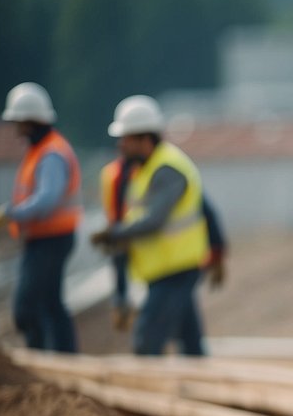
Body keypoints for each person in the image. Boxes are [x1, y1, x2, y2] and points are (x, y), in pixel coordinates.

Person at [90, 95, 211, 355]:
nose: (120, 144)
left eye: (126, 138)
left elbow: (154, 221)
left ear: (145, 138)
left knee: (147, 340)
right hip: (167, 267)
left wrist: (115, 233)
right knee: (191, 345)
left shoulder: (167, 168)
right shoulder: (147, 169)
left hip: (176, 269)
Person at [0, 82, 82, 353]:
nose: (15, 128)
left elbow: (47, 199)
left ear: (29, 122)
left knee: (27, 308)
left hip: (51, 238)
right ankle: (64, 357)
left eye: (17, 122)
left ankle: (40, 361)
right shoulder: (42, 150)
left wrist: (11, 213)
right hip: (47, 237)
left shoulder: (51, 153)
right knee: (51, 302)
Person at [100, 155, 228, 332]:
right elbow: (121, 242)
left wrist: (216, 252)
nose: (122, 145)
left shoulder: (165, 170)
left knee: (149, 335)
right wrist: (120, 297)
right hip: (157, 264)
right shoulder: (121, 176)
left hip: (179, 264)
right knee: (188, 333)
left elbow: (203, 210)